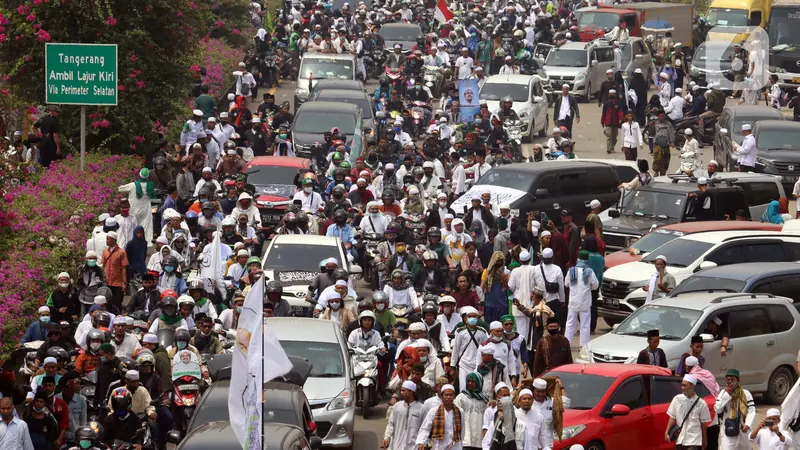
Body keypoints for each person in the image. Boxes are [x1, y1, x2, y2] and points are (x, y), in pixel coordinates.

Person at [665, 374, 711, 450]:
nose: (682, 388)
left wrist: (704, 440)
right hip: (680, 439)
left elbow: (703, 424)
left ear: (692, 386)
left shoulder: (702, 404)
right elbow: (672, 417)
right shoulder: (677, 399)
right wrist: (667, 432)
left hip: (694, 441)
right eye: (682, 385)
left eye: (685, 386)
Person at [564, 250, 599, 347]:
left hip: (573, 302)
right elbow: (596, 285)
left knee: (570, 323)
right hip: (585, 302)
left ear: (578, 259)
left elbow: (566, 284)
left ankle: (567, 343)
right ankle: (583, 345)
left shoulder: (571, 270)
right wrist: (588, 287)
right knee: (585, 324)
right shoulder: (589, 271)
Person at [450, 307, 489, 391]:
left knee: (477, 387)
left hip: (477, 364)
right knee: (463, 388)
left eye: (474, 316)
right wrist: (452, 366)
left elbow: (485, 349)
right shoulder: (460, 331)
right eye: (470, 316)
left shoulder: (482, 332)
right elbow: (456, 350)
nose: (472, 318)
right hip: (463, 364)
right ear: (465, 318)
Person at [715, 369, 755, 450]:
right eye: (728, 379)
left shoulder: (746, 393)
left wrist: (747, 424)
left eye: (732, 379)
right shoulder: (723, 393)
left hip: (743, 429)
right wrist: (728, 394)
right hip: (728, 430)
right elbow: (718, 409)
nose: (730, 382)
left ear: (738, 380)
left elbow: (751, 411)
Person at [415, 384, 462, 450]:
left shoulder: (460, 411)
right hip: (439, 446)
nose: (448, 397)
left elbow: (462, 431)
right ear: (442, 396)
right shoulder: (433, 411)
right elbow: (425, 428)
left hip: (455, 446)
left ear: (454, 396)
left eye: (451, 395)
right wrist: (421, 442)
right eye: (446, 395)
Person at [384, 380, 425, 450]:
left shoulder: (421, 408)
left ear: (411, 392)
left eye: (403, 390)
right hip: (396, 445)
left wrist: (422, 441)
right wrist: (387, 437)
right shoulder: (397, 406)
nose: (401, 392)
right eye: (401, 390)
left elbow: (424, 428)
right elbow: (391, 423)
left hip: (413, 446)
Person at [532, 248, 566, 330]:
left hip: (539, 302)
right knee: (552, 326)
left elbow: (532, 285)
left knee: (539, 327)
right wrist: (562, 300)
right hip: (553, 301)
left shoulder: (535, 268)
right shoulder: (557, 269)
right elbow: (561, 286)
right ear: (552, 258)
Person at [453, 371, 488, 449]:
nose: (469, 383)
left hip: (480, 441)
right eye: (468, 381)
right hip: (465, 439)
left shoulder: (484, 400)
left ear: (479, 383)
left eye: (472, 381)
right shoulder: (461, 397)